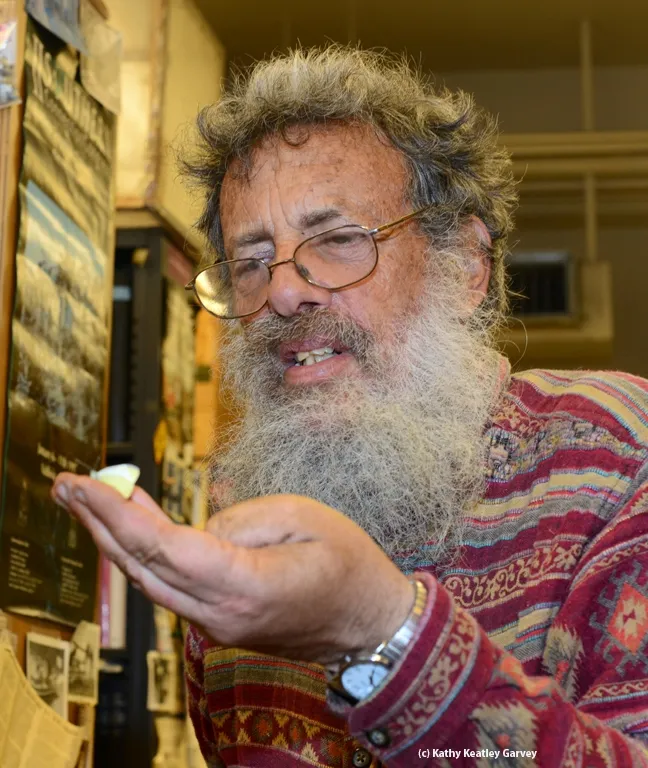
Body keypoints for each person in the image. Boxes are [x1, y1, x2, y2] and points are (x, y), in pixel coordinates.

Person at [52, 47, 648, 767]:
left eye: (338, 240)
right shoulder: (240, 519)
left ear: (465, 266)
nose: (281, 292)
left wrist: (379, 629)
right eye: (249, 261)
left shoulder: (618, 459)